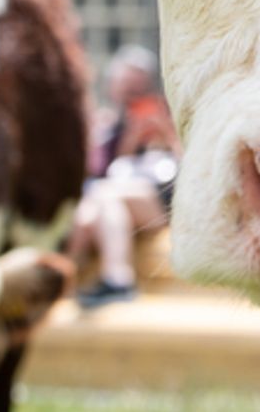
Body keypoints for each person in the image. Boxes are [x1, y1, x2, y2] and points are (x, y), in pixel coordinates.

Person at [68, 45, 180, 308]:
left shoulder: (169, 117)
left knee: (101, 195)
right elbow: (103, 170)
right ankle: (65, 283)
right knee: (87, 214)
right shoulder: (107, 127)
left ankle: (117, 279)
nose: (132, 94)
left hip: (163, 198)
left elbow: (191, 165)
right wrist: (129, 139)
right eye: (127, 86)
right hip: (117, 199)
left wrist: (167, 135)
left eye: (139, 87)